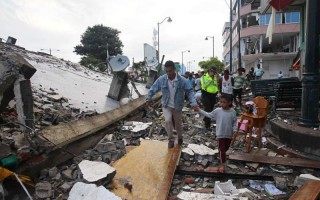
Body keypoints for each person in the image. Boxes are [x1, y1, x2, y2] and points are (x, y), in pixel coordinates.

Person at [146, 60, 199, 148]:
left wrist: (194, 103)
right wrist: (148, 98)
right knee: (167, 121)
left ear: (174, 69)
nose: (168, 73)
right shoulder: (162, 79)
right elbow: (153, 88)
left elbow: (190, 91)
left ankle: (180, 137)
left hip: (177, 106)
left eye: (170, 71)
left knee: (178, 125)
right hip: (166, 105)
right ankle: (170, 139)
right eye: (166, 71)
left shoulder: (182, 80)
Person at [194, 94, 237, 173]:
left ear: (229, 102)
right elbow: (209, 115)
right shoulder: (218, 111)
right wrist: (199, 110)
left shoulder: (233, 112)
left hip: (229, 134)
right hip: (220, 134)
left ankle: (221, 157)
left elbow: (234, 122)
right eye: (221, 102)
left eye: (224, 102)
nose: (222, 104)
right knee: (222, 150)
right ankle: (222, 164)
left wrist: (235, 129)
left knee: (225, 148)